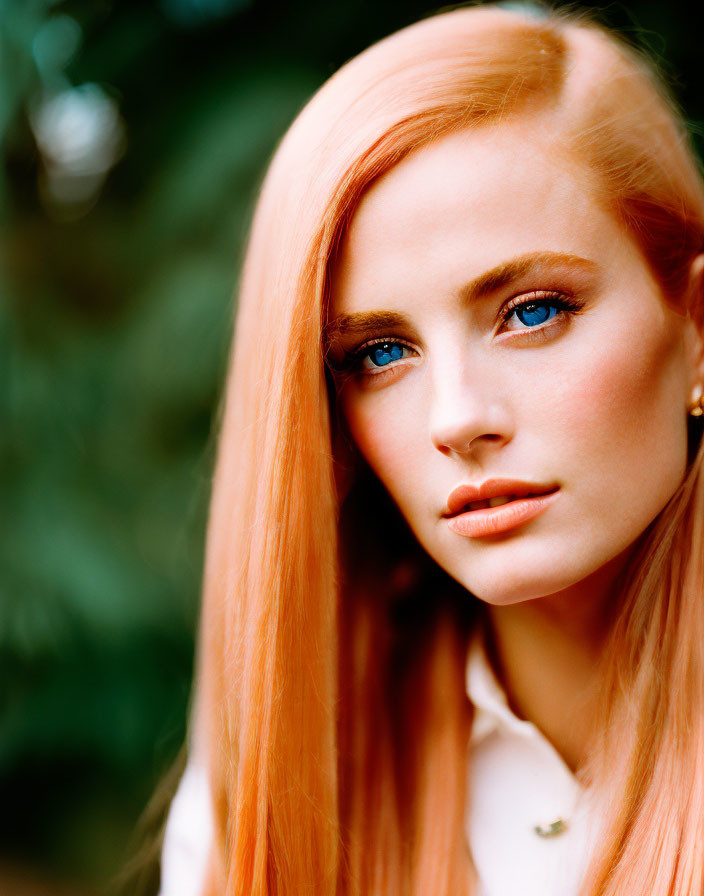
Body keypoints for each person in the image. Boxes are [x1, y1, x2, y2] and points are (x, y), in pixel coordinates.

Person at [156, 2, 704, 894]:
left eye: (532, 312)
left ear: (695, 327)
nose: (456, 417)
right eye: (379, 353)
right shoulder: (274, 787)